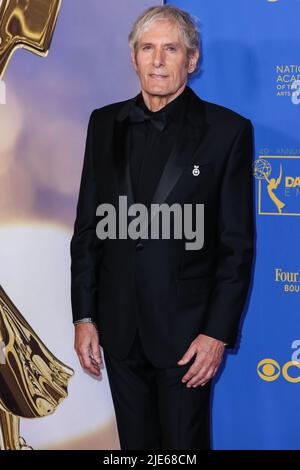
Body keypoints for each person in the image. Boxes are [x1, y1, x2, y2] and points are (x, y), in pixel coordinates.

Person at [70, 5, 254, 450]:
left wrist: (215, 334)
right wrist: (83, 315)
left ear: (191, 60)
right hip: (117, 331)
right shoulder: (103, 123)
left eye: (170, 49)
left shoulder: (227, 131)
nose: (157, 60)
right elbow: (88, 229)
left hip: (187, 337)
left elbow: (237, 246)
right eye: (147, 48)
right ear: (133, 58)